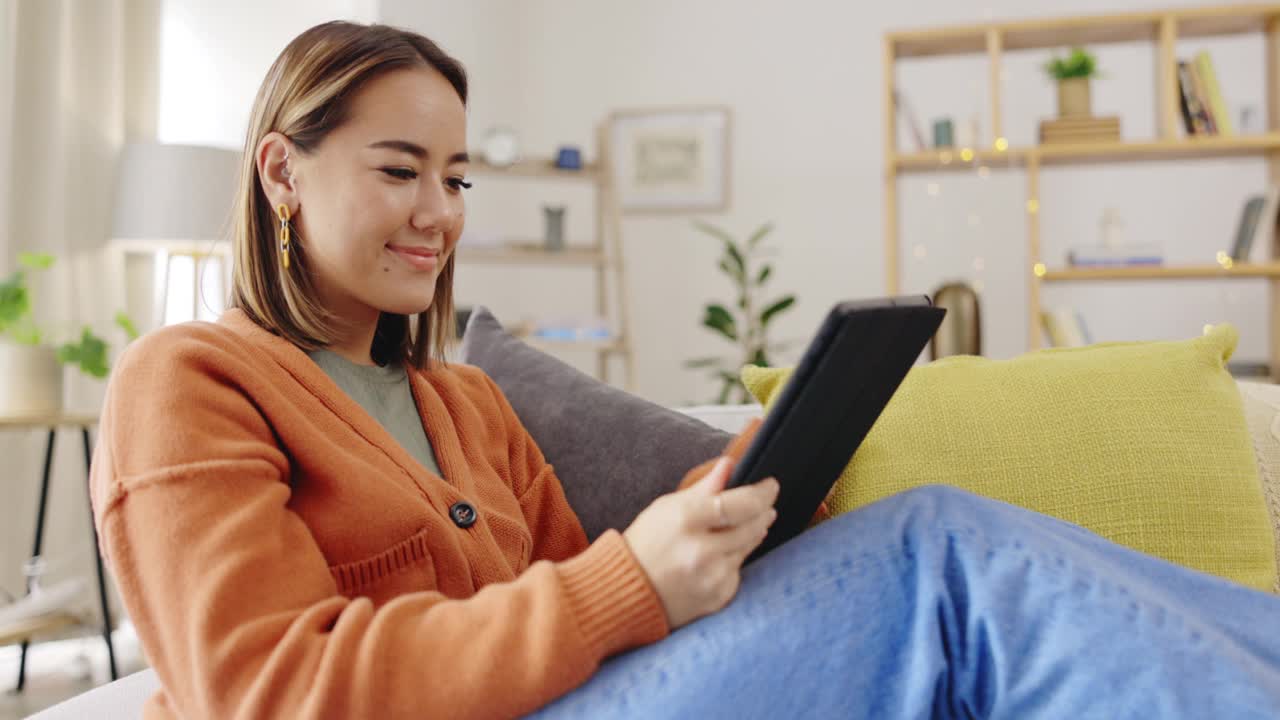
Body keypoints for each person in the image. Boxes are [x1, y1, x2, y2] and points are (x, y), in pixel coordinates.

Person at [89, 20, 1280, 720]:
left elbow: (570, 592)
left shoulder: (464, 401)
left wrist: (732, 528)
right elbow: (264, 690)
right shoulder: (186, 380)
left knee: (937, 530)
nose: (437, 213)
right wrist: (627, 586)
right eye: (399, 169)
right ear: (281, 175)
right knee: (939, 555)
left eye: (455, 178)